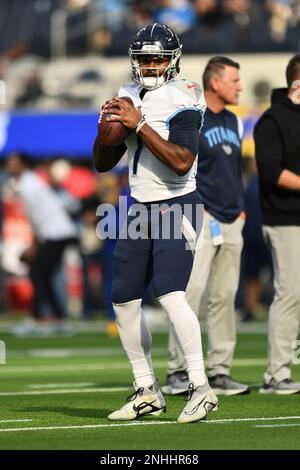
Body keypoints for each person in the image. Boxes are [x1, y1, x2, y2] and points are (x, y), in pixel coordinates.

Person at [93, 23, 219, 423]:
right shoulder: (126, 93)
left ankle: (201, 387)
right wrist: (106, 130)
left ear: (172, 59)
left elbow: (183, 160)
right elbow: (101, 163)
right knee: (123, 298)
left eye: (158, 57)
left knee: (169, 293)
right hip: (137, 206)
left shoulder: (186, 93)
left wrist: (140, 124)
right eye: (144, 57)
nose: (150, 64)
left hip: (177, 202)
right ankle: (146, 389)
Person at [162, 56, 250, 397]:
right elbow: (182, 168)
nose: (239, 86)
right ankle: (178, 370)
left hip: (231, 220)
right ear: (215, 82)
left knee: (225, 297)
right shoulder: (193, 119)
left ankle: (219, 370)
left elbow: (236, 170)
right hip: (201, 216)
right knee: (190, 294)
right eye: (234, 80)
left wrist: (240, 208)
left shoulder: (234, 121)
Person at [254, 54, 300, 394]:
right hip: (286, 219)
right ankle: (276, 374)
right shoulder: (273, 120)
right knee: (290, 292)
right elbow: (271, 171)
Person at [6, 153, 78, 331]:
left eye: (13, 163)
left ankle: (41, 318)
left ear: (23, 164)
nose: (9, 167)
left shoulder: (27, 185)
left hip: (56, 233)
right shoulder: (30, 182)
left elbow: (37, 218)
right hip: (58, 232)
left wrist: (33, 246)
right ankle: (55, 317)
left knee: (38, 273)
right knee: (42, 274)